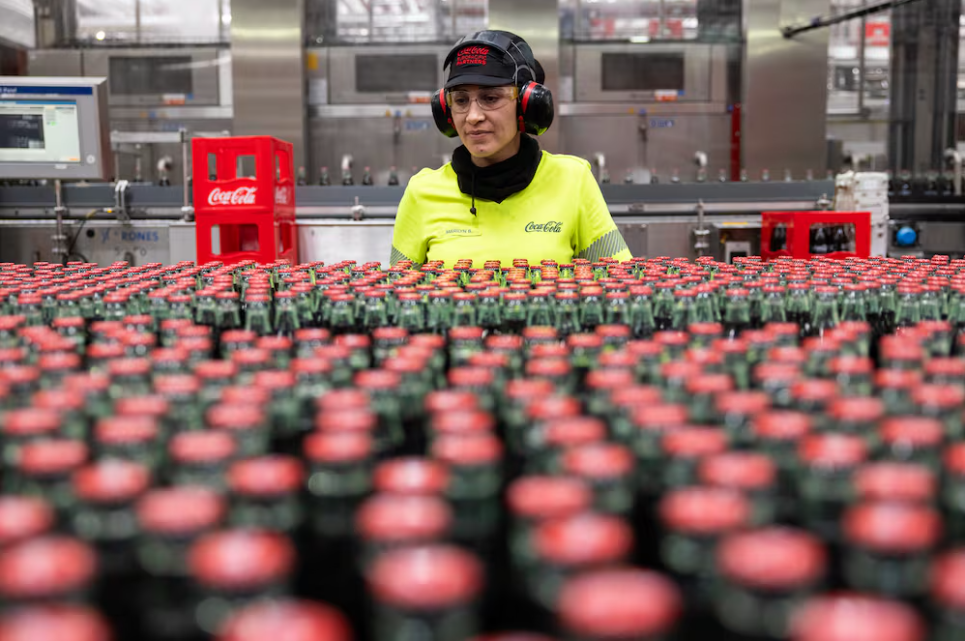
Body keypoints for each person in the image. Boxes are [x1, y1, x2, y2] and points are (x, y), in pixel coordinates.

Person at [390, 30, 632, 268]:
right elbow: (399, 289)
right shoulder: (422, 192)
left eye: (490, 98)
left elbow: (619, 279)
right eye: (461, 101)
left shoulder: (572, 181)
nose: (473, 117)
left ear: (527, 105)